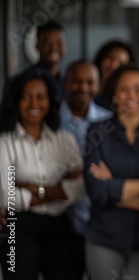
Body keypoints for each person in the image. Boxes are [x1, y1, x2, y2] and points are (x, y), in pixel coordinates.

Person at [84, 64, 139, 280]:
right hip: (104, 238)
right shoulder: (97, 132)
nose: (131, 95)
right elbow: (96, 191)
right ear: (113, 94)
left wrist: (113, 188)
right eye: (123, 89)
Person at [0, 68, 85, 280]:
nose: (34, 104)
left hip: (59, 225)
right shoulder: (5, 143)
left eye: (41, 96)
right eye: (26, 97)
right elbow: (7, 198)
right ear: (15, 100)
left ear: (51, 100)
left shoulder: (65, 140)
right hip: (16, 228)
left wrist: (30, 188)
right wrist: (59, 190)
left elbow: (79, 189)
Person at [59, 59, 112, 278]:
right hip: (61, 221)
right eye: (76, 81)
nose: (83, 88)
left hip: (100, 219)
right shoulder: (49, 120)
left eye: (90, 82)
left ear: (99, 86)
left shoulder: (109, 121)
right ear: (64, 83)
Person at [92, 39, 138, 108]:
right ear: (101, 59)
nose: (113, 66)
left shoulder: (130, 102)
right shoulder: (87, 92)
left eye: (121, 63)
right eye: (110, 58)